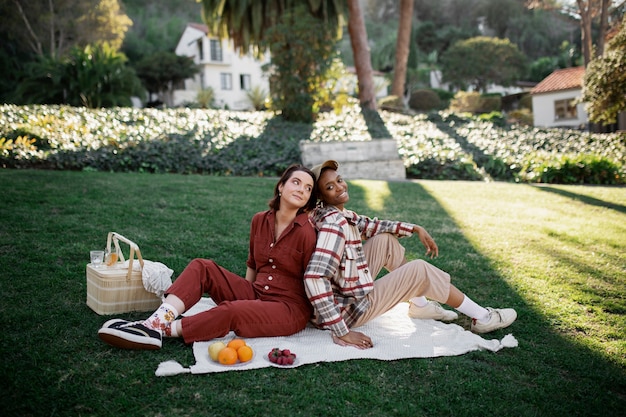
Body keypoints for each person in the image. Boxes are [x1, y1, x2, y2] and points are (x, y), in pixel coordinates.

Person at [98, 164, 318, 350]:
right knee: (202, 266)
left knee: (233, 311)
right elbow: (252, 264)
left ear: (308, 199)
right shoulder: (259, 220)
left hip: (288, 308)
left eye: (308, 188)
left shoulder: (307, 232)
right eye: (296, 182)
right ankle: (157, 321)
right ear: (281, 186)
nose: (301, 190)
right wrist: (246, 297)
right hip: (258, 293)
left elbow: (315, 280)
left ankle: (160, 330)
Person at [304, 160, 517, 349]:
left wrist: (414, 228)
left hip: (345, 295)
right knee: (419, 270)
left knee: (385, 240)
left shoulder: (339, 215)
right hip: (347, 312)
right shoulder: (333, 224)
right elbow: (315, 277)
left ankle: (420, 306)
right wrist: (342, 331)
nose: (340, 187)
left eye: (339, 180)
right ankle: (483, 317)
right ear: (320, 196)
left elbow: (371, 225)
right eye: (330, 187)